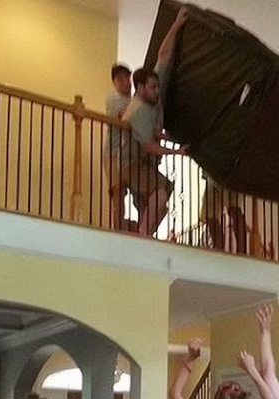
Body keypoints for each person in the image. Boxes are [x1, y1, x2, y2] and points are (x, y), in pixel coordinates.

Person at [122, 7, 189, 237]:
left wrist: (177, 24)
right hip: (133, 165)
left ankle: (144, 234)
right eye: (152, 87)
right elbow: (148, 145)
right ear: (140, 88)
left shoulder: (152, 100)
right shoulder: (138, 111)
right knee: (161, 192)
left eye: (157, 86)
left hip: (147, 165)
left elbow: (163, 54)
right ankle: (143, 234)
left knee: (160, 200)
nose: (157, 91)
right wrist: (176, 152)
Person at [103, 63, 134, 231]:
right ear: (114, 83)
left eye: (127, 77)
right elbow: (124, 117)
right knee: (118, 191)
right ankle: (118, 229)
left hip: (129, 155)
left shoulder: (133, 101)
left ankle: (136, 228)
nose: (125, 82)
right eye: (120, 79)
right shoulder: (114, 98)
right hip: (113, 153)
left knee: (135, 190)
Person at [200, 171, 247, 253]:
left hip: (229, 174)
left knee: (234, 208)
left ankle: (241, 252)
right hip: (211, 174)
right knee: (209, 212)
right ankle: (219, 249)